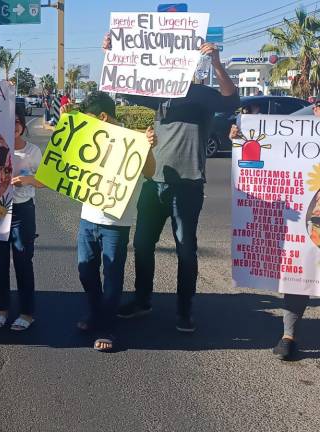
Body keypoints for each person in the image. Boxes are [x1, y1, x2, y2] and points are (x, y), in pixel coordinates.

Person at [103, 33, 240, 332]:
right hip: (154, 182)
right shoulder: (155, 91)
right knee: (141, 244)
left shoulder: (203, 96)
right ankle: (142, 300)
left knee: (186, 250)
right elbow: (119, 84)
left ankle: (185, 309)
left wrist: (217, 63)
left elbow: (232, 98)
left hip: (189, 185)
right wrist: (113, 52)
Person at [75, 92, 156, 351]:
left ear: (102, 116)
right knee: (85, 270)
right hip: (88, 217)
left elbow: (150, 172)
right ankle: (96, 312)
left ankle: (107, 328)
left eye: (89, 118)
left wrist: (149, 148)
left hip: (116, 223)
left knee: (111, 276)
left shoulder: (135, 141)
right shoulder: (89, 137)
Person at [230, 115, 314, 360]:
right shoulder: (303, 123)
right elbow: (266, 141)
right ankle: (289, 336)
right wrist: (239, 137)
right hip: (312, 209)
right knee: (301, 268)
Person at [0, 110, 44, 331]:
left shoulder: (33, 151)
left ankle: (27, 312)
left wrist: (29, 180)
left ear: (22, 125)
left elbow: (47, 181)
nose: (14, 127)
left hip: (22, 211)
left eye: (17, 122)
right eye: (9, 123)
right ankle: (1, 309)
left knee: (22, 261)